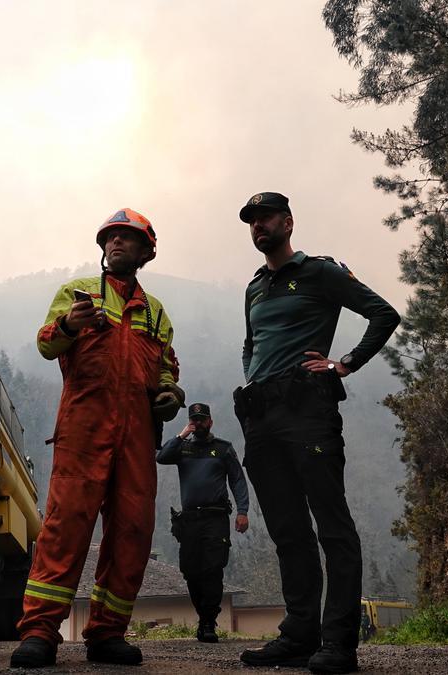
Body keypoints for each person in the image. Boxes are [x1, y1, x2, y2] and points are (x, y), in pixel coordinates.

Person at [10, 208, 185, 668]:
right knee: (66, 527)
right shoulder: (76, 293)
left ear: (146, 252)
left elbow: (167, 365)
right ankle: (40, 632)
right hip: (84, 430)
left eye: (127, 239)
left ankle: (107, 633)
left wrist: (170, 392)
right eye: (110, 238)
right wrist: (70, 324)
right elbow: (47, 343)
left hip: (137, 436)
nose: (116, 244)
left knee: (132, 530)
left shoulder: (155, 311)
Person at [234, 192, 400, 674]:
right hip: (261, 416)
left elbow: (383, 314)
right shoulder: (255, 287)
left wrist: (343, 363)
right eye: (251, 221)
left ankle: (340, 643)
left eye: (265, 218)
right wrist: (254, 378)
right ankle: (299, 635)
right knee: (288, 529)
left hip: (309, 410)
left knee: (332, 525)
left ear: (288, 222)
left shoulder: (320, 272)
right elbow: (250, 344)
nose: (258, 226)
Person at [157, 402, 251, 643]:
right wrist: (182, 434)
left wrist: (242, 511)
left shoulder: (223, 449)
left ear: (210, 421)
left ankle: (209, 622)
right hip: (189, 520)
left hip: (215, 518)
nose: (198, 423)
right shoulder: (183, 448)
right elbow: (162, 456)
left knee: (212, 569)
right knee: (190, 571)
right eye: (194, 419)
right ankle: (203, 616)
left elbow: (238, 481)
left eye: (202, 419)